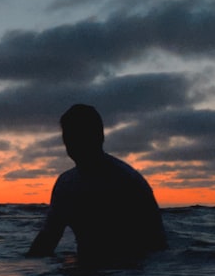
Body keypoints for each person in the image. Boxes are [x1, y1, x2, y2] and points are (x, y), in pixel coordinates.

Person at [26, 104, 166, 264]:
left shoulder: (128, 181)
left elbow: (157, 244)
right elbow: (48, 239)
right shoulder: (66, 184)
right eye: (69, 136)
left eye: (81, 135)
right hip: (82, 272)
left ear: (99, 137)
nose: (74, 143)